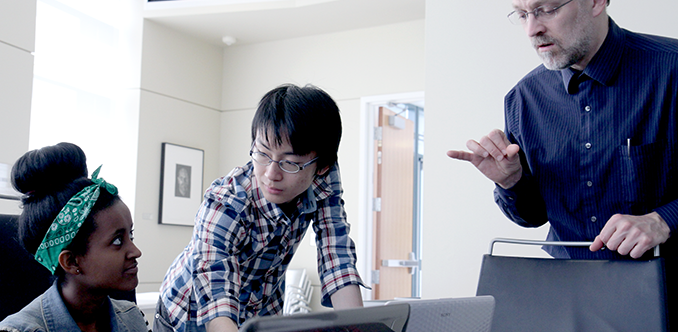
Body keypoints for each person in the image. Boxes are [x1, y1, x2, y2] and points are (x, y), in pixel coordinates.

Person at [447, 0, 678, 260]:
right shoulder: (523, 99)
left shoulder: (672, 68)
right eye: (523, 15)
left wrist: (664, 220)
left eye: (547, 9)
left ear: (595, 2)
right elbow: (533, 217)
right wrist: (511, 182)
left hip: (666, 289)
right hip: (567, 289)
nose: (531, 29)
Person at [155, 84, 365, 332]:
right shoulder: (226, 204)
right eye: (263, 153)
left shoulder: (323, 176)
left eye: (290, 163)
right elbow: (216, 299)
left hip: (262, 311)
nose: (271, 174)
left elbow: (337, 257)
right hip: (190, 315)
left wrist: (359, 328)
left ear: (321, 166)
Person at [0, 142, 147, 332]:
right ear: (71, 261)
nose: (136, 252)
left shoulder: (132, 317)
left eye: (131, 236)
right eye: (117, 241)